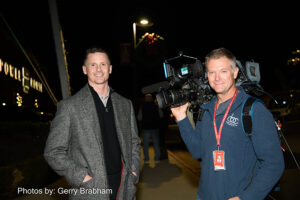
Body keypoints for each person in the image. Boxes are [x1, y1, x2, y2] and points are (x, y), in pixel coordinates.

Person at [171, 48, 284, 200]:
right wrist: (181, 118)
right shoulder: (205, 109)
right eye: (212, 72)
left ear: (235, 72)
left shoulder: (253, 110)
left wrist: (247, 197)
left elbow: (274, 164)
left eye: (223, 71)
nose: (217, 78)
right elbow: (197, 151)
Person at [44, 47, 141, 200]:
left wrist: (134, 171)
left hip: (124, 187)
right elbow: (53, 151)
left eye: (103, 64)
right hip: (90, 190)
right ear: (84, 69)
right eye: (93, 65)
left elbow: (134, 142)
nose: (98, 69)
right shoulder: (70, 106)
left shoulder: (125, 104)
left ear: (110, 69)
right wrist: (82, 177)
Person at [138, 94, 163, 164]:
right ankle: (157, 159)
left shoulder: (142, 106)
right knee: (156, 144)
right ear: (151, 98)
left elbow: (139, 117)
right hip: (155, 127)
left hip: (145, 128)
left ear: (145, 99)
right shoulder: (156, 106)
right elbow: (161, 115)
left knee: (145, 145)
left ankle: (146, 159)